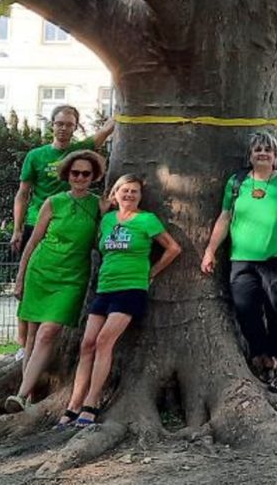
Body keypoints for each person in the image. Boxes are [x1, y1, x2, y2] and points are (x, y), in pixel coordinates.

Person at [55, 173, 181, 427]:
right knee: (87, 344)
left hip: (131, 288)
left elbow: (173, 248)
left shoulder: (146, 220)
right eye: (125, 190)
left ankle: (91, 403)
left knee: (104, 341)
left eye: (135, 191)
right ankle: (73, 405)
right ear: (115, 193)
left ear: (140, 197)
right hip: (104, 288)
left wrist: (151, 273)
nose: (129, 195)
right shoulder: (108, 220)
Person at [199, 131, 277, 393]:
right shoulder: (237, 182)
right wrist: (210, 250)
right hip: (242, 259)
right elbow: (225, 217)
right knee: (245, 310)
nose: (262, 153)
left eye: (268, 150)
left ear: (275, 156)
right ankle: (262, 355)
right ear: (250, 155)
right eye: (258, 149)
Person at [11, 104, 114, 357]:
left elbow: (109, 127)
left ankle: (48, 340)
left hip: (73, 220)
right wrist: (17, 228)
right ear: (52, 125)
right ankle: (23, 346)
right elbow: (23, 194)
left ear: (76, 127)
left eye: (69, 124)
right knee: (28, 286)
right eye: (60, 123)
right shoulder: (36, 156)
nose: (64, 128)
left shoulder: (82, 150)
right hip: (39, 221)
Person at [6, 148, 106, 411]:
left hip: (72, 277)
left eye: (86, 173)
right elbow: (33, 242)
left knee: (48, 332)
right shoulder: (53, 202)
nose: (80, 177)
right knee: (31, 337)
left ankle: (21, 393)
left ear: (93, 176)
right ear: (67, 174)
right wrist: (21, 277)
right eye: (75, 173)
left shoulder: (97, 204)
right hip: (42, 270)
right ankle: (26, 395)